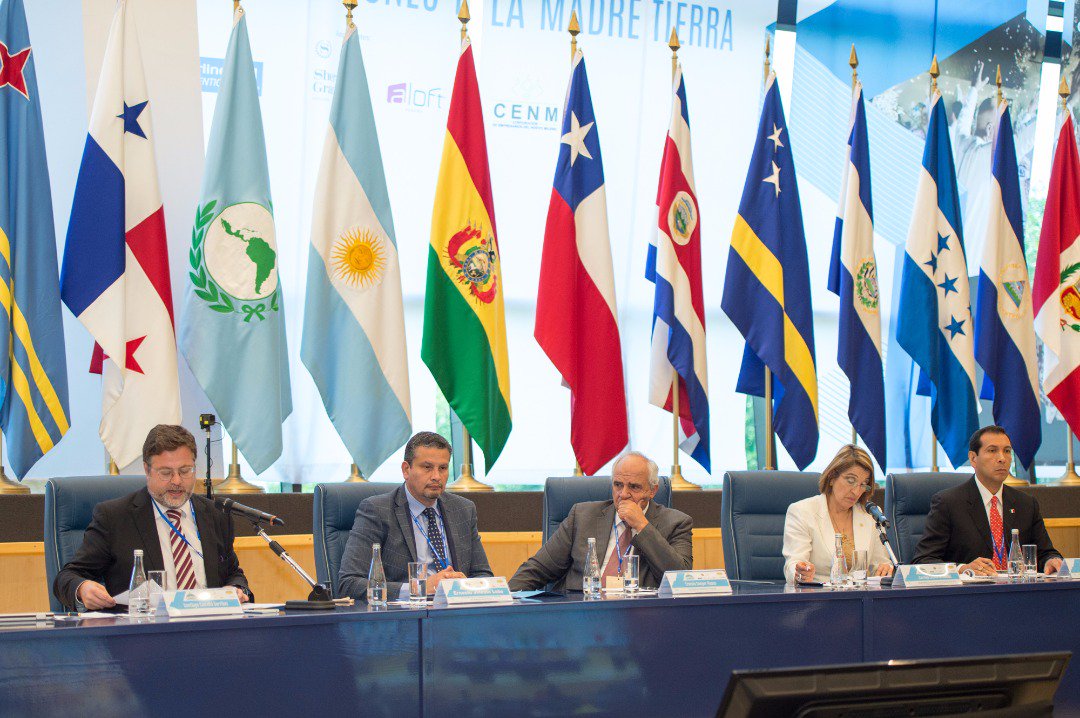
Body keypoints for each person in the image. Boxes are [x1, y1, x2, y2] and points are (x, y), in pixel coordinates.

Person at [53, 425, 252, 610]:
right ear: (147, 470)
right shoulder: (115, 518)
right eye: (166, 473)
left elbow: (232, 572)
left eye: (185, 471)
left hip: (208, 629)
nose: (176, 481)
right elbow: (67, 577)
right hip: (144, 635)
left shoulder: (216, 515)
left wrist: (237, 589)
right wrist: (82, 588)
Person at [337, 431, 492, 600]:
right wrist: (420, 588)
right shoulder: (377, 511)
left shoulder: (463, 509)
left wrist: (466, 585)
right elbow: (349, 584)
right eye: (427, 467)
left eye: (443, 468)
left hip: (454, 612)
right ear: (406, 469)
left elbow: (483, 575)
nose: (436, 476)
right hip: (404, 617)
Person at [508, 451, 693, 592]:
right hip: (582, 617)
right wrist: (504, 602)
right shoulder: (581, 516)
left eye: (634, 487)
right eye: (618, 485)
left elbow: (679, 579)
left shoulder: (677, 523)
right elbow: (537, 569)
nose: (624, 494)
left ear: (652, 491)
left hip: (641, 621)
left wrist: (642, 526)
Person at [913, 426, 1062, 576]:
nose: (1002, 458)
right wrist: (962, 569)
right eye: (992, 451)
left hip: (1017, 591)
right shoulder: (948, 503)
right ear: (973, 458)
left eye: (1007, 451)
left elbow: (1045, 553)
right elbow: (923, 560)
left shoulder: (1026, 504)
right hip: (970, 594)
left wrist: (1051, 560)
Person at [783, 445, 894, 585]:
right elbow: (793, 564)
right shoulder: (802, 511)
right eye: (851, 480)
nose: (856, 491)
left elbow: (880, 563)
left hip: (862, 598)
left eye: (863, 484)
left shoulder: (870, 514)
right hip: (819, 597)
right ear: (832, 477)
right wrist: (800, 572)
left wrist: (885, 568)